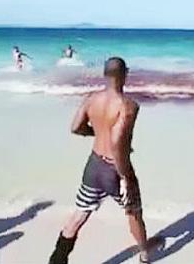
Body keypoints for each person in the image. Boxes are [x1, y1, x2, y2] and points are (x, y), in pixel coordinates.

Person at [48, 57, 151, 264]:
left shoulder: (91, 99)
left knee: (79, 215)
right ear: (124, 74)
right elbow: (117, 143)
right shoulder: (128, 106)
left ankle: (57, 260)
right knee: (133, 212)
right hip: (115, 170)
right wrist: (125, 178)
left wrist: (96, 132)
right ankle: (144, 255)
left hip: (94, 166)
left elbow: (75, 127)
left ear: (105, 75)